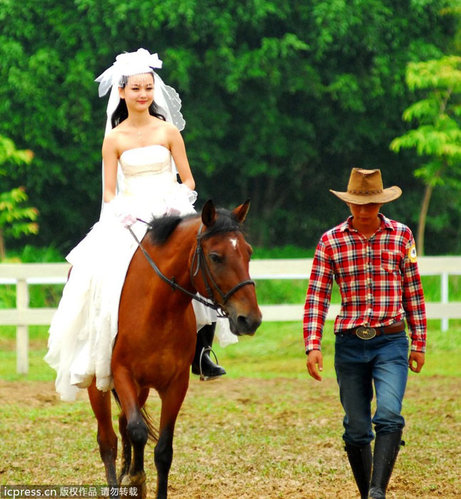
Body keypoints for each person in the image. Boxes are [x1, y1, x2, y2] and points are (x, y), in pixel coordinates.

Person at [45, 48, 231, 402]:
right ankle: (99, 345)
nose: (143, 94)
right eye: (136, 89)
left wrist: (174, 200)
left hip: (169, 211)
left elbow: (189, 181)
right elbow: (110, 193)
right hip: (129, 217)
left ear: (154, 90)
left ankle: (202, 351)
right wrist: (126, 212)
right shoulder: (113, 140)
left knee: (199, 265)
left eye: (148, 88)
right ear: (122, 92)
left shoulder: (169, 132)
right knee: (94, 273)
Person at [303, 168, 426, 499]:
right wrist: (312, 344)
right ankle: (368, 493)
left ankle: (377, 492)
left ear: (380, 203)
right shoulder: (331, 241)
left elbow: (413, 291)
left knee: (388, 413)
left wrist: (420, 343)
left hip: (391, 340)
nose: (362, 211)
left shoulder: (401, 236)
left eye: (369, 204)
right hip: (349, 343)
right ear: (348, 203)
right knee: (356, 429)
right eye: (357, 204)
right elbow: (317, 294)